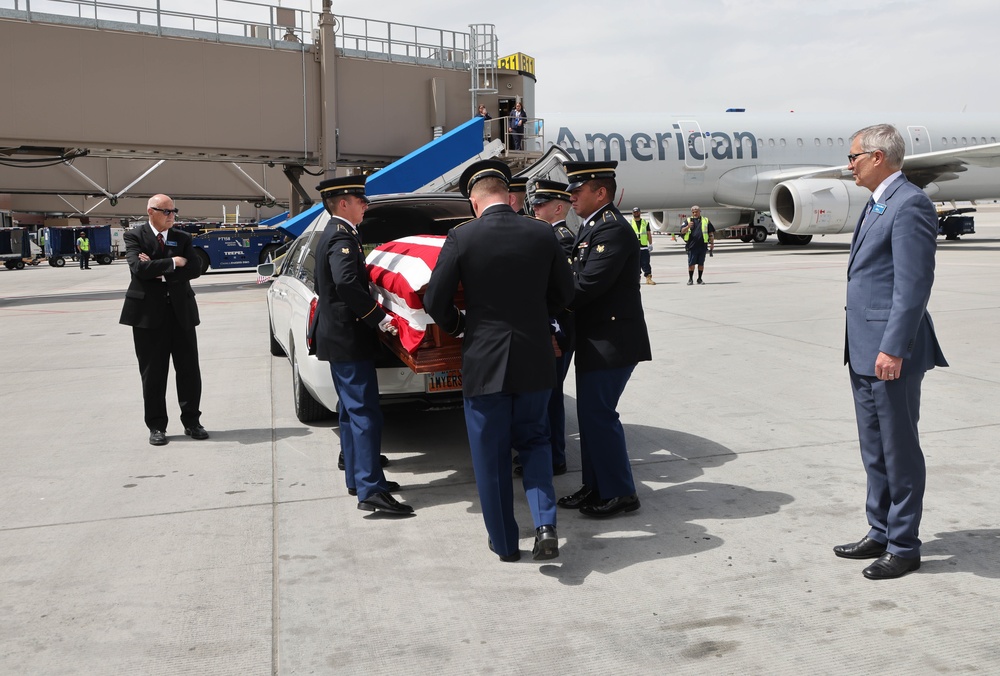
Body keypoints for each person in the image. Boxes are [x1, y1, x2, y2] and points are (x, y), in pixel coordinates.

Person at [424, 160, 574, 562]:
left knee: (491, 456)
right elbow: (566, 292)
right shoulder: (542, 233)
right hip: (535, 358)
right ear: (509, 196)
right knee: (536, 442)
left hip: (485, 361)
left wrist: (459, 324)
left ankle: (506, 544)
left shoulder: (462, 237)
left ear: (474, 201)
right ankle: (545, 524)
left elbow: (435, 301)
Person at [834, 124, 948, 580]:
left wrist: (894, 348)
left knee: (899, 449)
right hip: (863, 348)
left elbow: (913, 286)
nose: (850, 164)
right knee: (875, 448)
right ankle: (879, 529)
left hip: (889, 353)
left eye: (854, 156)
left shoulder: (910, 203)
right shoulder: (878, 202)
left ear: (878, 157)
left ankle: (903, 545)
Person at [313, 176, 413, 517]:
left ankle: (361, 478)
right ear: (343, 204)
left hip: (341, 338)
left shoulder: (340, 233)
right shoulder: (341, 236)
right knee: (365, 413)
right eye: (361, 200)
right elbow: (345, 284)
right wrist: (378, 317)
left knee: (350, 412)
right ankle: (371, 490)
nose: (365, 205)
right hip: (349, 338)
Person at [558, 161, 651, 518]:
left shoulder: (611, 230)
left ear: (600, 193)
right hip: (595, 337)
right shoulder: (591, 227)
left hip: (612, 340)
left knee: (600, 415)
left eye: (577, 191)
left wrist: (540, 298)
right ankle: (596, 485)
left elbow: (585, 286)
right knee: (589, 417)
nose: (571, 197)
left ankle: (621, 492)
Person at [120, 195, 207, 446]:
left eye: (174, 211)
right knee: (153, 373)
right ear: (151, 211)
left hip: (181, 313)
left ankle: (192, 422)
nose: (172, 215)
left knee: (189, 370)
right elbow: (138, 268)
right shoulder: (135, 236)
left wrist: (159, 268)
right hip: (147, 316)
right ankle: (157, 426)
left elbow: (195, 269)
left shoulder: (182, 237)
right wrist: (173, 262)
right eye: (166, 211)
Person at [519, 179, 575, 478]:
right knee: (546, 393)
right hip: (547, 327)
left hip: (557, 330)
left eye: (540, 204)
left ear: (557, 207)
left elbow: (563, 292)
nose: (534, 208)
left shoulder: (561, 238)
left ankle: (555, 457)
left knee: (551, 395)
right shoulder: (546, 236)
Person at [681, 205, 715, 285]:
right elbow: (682, 231)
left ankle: (699, 279)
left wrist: (712, 243)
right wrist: (688, 226)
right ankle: (690, 279)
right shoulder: (688, 220)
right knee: (691, 264)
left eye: (696, 212)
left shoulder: (705, 220)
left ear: (700, 211)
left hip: (702, 245)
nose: (695, 213)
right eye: (693, 212)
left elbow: (711, 233)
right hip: (692, 246)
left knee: (701, 263)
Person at [630, 207, 655, 285]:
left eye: (637, 212)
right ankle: (636, 279)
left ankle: (648, 278)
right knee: (635, 264)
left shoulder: (645, 222)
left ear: (640, 213)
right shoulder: (630, 223)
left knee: (646, 263)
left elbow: (648, 234)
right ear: (632, 213)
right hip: (634, 248)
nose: (636, 213)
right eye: (634, 212)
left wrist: (650, 244)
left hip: (644, 247)